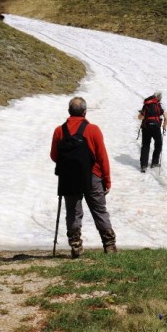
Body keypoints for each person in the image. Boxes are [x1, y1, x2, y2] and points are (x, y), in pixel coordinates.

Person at [50, 97, 117, 258]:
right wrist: (106, 179)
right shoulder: (93, 129)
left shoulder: (60, 131)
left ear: (69, 111)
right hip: (92, 176)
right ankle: (109, 246)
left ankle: (76, 247)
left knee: (73, 212)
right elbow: (102, 157)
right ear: (85, 112)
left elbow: (54, 156)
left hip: (68, 178)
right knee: (99, 210)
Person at [138, 91, 167, 172]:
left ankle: (144, 165)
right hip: (156, 128)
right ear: (160, 98)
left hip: (146, 127)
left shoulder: (147, 104)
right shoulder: (160, 105)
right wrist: (164, 126)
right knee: (158, 143)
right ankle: (154, 162)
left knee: (145, 145)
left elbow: (140, 117)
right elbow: (166, 118)